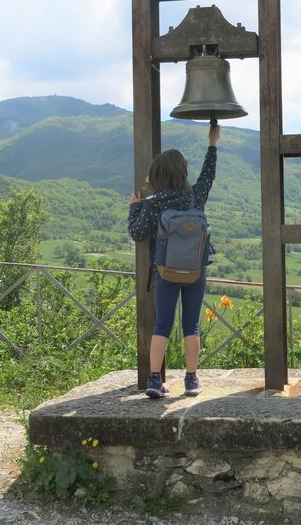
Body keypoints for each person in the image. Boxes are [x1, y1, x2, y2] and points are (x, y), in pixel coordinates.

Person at [128, 122, 220, 398]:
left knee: (162, 324)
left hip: (164, 270)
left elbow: (137, 232)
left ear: (159, 174)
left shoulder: (154, 203)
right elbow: (208, 175)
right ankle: (191, 380)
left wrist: (135, 207)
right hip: (195, 269)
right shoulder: (196, 196)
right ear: (182, 172)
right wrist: (212, 144)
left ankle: (154, 380)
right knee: (191, 324)